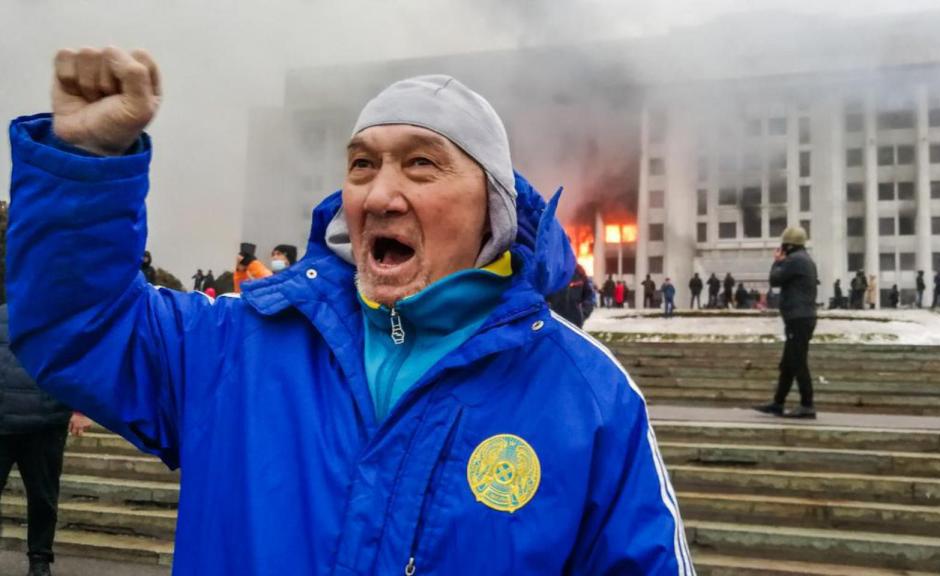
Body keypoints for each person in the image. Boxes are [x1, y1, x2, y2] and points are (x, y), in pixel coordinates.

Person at [5, 50, 692, 575]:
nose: (379, 194)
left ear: (494, 208)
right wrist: (86, 167)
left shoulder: (587, 398)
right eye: (362, 166)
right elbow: (78, 326)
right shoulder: (234, 348)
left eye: (422, 165)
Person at [1, 305, 92, 576]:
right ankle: (39, 561)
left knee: (43, 498)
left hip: (45, 423)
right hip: (10, 421)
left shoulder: (62, 318)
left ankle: (40, 558)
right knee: (43, 498)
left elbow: (77, 365)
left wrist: (80, 408)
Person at [755, 227, 818, 419]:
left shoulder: (795, 260)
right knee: (788, 363)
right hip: (801, 317)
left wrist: (777, 262)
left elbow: (775, 280)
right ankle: (778, 402)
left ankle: (807, 405)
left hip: (798, 318)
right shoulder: (804, 259)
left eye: (783, 246)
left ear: (788, 245)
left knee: (797, 362)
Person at [547, 264, 593, 328]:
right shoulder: (549, 270)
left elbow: (589, 295)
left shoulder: (578, 271)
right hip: (553, 325)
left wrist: (583, 313)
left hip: (575, 325)